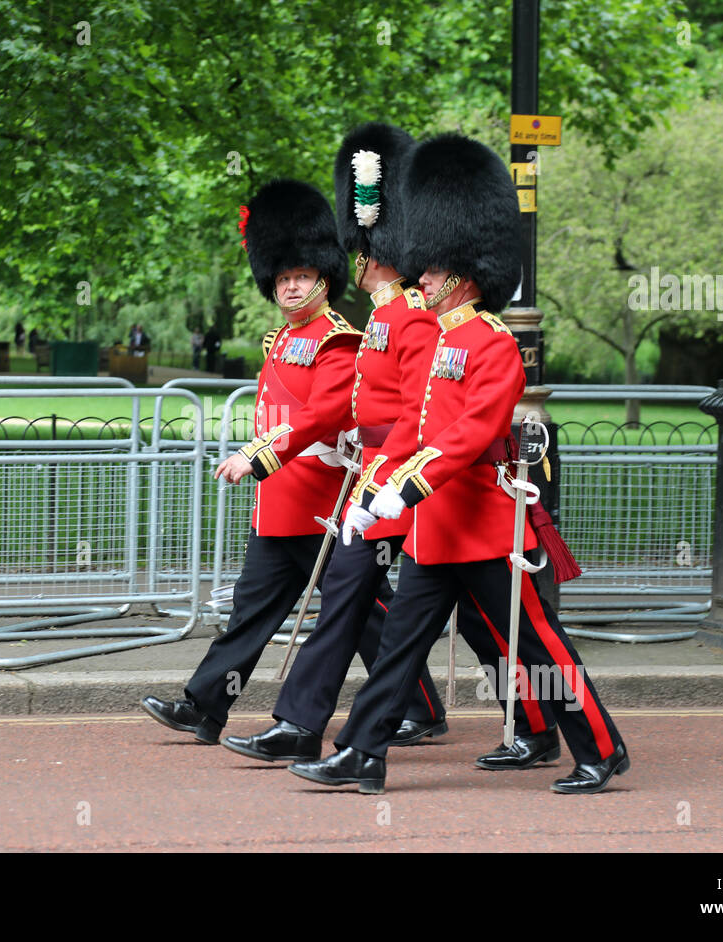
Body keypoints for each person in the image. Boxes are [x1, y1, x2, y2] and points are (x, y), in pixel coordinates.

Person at [289, 134, 627, 795]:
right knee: (398, 650)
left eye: (436, 274)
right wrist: (376, 489)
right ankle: (363, 752)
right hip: (431, 529)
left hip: (483, 528)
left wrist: (407, 488)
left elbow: (469, 436)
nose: (425, 281)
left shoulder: (493, 345)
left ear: (466, 277)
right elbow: (416, 425)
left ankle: (601, 747)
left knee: (538, 647)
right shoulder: (440, 338)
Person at [143, 179, 420, 748]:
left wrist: (257, 455)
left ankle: (412, 704)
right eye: (284, 278)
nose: (291, 287)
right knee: (259, 610)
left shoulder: (337, 340)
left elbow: (320, 417)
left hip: (319, 498)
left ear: (324, 279)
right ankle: (205, 707)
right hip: (280, 500)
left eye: (301, 277)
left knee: (362, 611)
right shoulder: (281, 339)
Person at [223, 124, 459, 763]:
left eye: (364, 247)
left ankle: (542, 722)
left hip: (400, 485)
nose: (357, 258)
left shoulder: (408, 317)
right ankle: (318, 730)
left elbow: (419, 408)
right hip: (369, 482)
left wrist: (383, 472)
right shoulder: (384, 316)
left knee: (482, 622)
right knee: (353, 610)